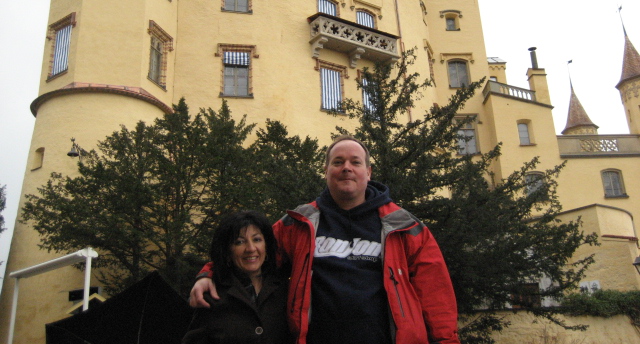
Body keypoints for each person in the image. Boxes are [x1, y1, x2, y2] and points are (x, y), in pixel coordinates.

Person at [190, 136, 460, 344]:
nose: (346, 168)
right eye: (338, 162)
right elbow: (254, 254)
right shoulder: (299, 224)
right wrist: (208, 273)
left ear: (368, 172)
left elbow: (436, 296)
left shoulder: (405, 227)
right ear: (326, 170)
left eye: (355, 162)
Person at [183, 210, 292, 344]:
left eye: (257, 239)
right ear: (227, 251)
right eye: (239, 242)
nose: (251, 248)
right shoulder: (212, 295)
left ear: (267, 245)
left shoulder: (285, 288)